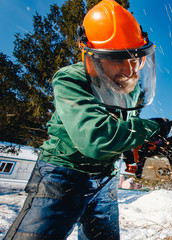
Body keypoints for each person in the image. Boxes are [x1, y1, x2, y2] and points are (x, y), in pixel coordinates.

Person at [5, 0, 162, 239]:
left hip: (106, 176)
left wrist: (136, 146)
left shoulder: (130, 88)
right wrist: (152, 128)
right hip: (63, 173)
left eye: (135, 58)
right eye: (119, 59)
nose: (130, 69)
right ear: (94, 58)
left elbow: (121, 128)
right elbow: (96, 138)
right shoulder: (70, 80)